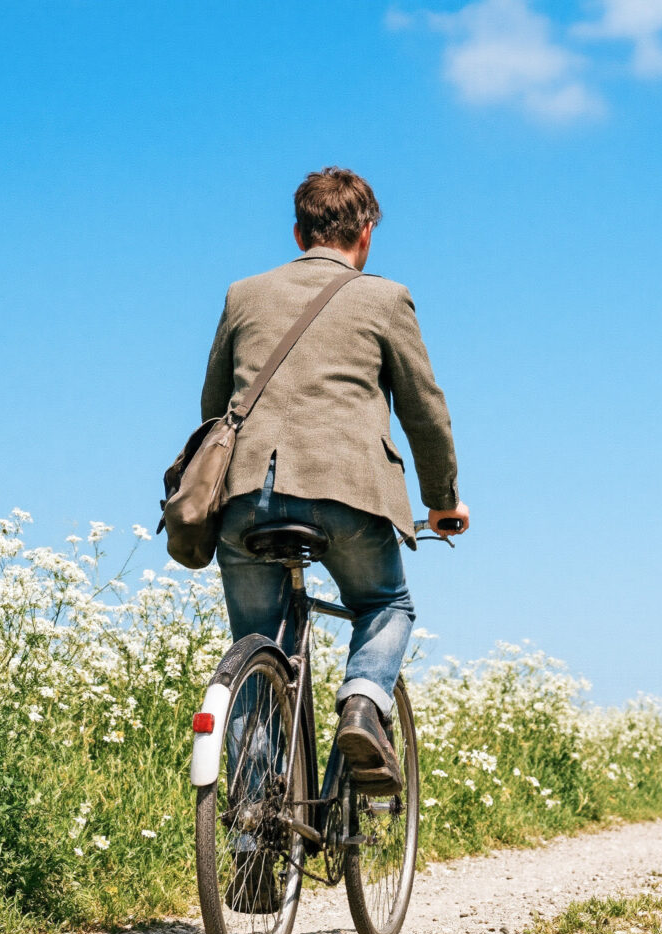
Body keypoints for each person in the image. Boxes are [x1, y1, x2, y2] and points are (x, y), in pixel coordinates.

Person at [200, 167, 467, 796]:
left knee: (259, 643)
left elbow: (214, 406)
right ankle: (362, 705)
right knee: (384, 605)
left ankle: (251, 836)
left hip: (246, 497)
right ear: (366, 233)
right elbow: (425, 411)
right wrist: (443, 500)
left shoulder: (244, 294)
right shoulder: (385, 298)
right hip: (350, 492)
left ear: (298, 233)